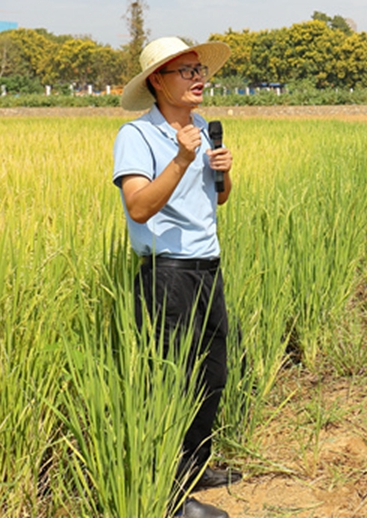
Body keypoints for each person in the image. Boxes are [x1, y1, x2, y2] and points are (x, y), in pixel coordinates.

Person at [113, 37, 240, 518]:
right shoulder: (137, 136)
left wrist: (224, 171)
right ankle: (169, 497)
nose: (198, 78)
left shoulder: (203, 128)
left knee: (212, 373)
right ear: (156, 82)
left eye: (199, 69)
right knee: (170, 379)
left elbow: (217, 200)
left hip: (208, 265)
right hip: (166, 272)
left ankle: (194, 465)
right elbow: (139, 206)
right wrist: (182, 159)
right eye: (185, 71)